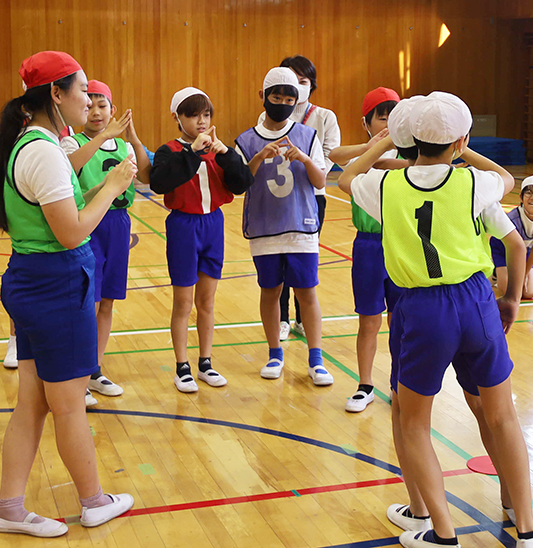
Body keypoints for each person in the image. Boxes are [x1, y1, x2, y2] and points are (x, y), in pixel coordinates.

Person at [339, 92, 533, 548]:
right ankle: (529, 529)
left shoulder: (386, 186)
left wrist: (382, 142)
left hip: (421, 308)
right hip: (476, 300)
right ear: (460, 140)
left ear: (406, 138)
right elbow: (505, 178)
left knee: (413, 422)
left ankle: (443, 531)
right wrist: (462, 146)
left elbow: (346, 176)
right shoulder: (475, 184)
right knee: (503, 417)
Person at [0, 51, 135, 537]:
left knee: (32, 400)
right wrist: (112, 187)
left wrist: (99, 143)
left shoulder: (31, 142)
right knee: (69, 402)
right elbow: (71, 232)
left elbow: (61, 170)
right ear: (56, 93)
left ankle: (8, 506)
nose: (90, 99)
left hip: (32, 279)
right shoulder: (42, 149)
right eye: (82, 91)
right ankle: (93, 500)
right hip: (56, 282)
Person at [149, 87, 254, 393]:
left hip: (213, 225)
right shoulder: (170, 151)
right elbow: (160, 183)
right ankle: (182, 366)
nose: (201, 121)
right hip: (184, 226)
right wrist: (193, 152)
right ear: (177, 118)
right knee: (183, 302)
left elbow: (242, 184)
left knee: (206, 301)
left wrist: (227, 154)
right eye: (192, 115)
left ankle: (205, 362)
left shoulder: (218, 151)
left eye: (206, 114)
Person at [235, 67, 333, 386]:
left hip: (301, 228)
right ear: (263, 97)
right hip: (264, 229)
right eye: (276, 96)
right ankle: (275, 352)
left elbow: (321, 182)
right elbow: (238, 184)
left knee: (307, 292)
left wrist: (305, 159)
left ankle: (316, 359)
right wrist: (258, 157)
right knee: (270, 291)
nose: (282, 102)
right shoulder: (246, 140)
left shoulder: (308, 135)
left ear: (296, 101)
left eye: (289, 98)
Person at [61, 79, 150, 405]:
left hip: (118, 225)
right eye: (90, 105)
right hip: (89, 224)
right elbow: (71, 168)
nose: (96, 111)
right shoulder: (72, 143)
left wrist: (133, 138)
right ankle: (79, 373)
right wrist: (103, 137)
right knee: (89, 302)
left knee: (108, 301)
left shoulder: (125, 148)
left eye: (103, 105)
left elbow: (148, 175)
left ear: (113, 110)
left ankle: (95, 367)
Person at [328, 87, 408, 412]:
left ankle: (400, 383)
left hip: (402, 244)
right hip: (368, 246)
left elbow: (401, 164)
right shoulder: (361, 157)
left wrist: (384, 153)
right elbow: (334, 155)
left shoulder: (410, 155)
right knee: (369, 319)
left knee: (401, 320)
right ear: (367, 122)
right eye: (381, 116)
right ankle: (364, 385)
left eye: (394, 116)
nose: (388, 122)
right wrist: (370, 148)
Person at [259, 55, 340, 340]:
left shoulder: (324, 117)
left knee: (303, 258)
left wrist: (308, 170)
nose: (296, 86)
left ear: (310, 85)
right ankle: (281, 318)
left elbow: (329, 154)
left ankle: (302, 317)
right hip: (277, 196)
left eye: (302, 81)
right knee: (277, 256)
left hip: (311, 195)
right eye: (290, 80)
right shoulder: (269, 114)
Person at [490, 176, 533, 301]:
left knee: (529, 293)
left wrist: (524, 274)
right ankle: (496, 272)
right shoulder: (512, 219)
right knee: (512, 292)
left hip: (526, 252)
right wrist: (518, 278)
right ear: (521, 197)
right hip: (504, 250)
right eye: (528, 193)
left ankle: (499, 273)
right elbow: (513, 248)